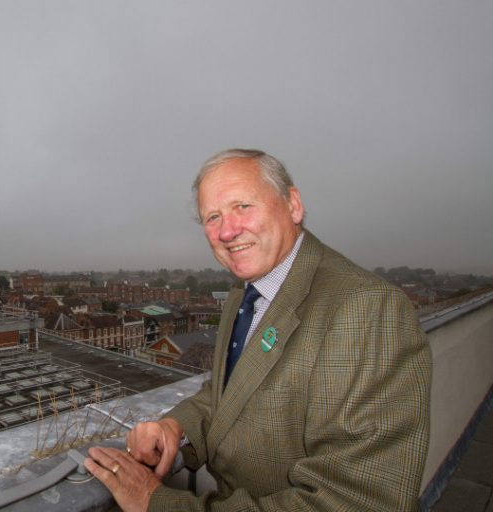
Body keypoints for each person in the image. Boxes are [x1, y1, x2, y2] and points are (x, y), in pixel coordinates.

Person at [84, 148, 432, 511]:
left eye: (242, 207)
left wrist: (155, 502)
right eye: (213, 216)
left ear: (293, 205)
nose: (227, 231)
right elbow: (230, 393)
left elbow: (357, 501)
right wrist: (175, 428)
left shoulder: (366, 307)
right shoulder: (245, 293)